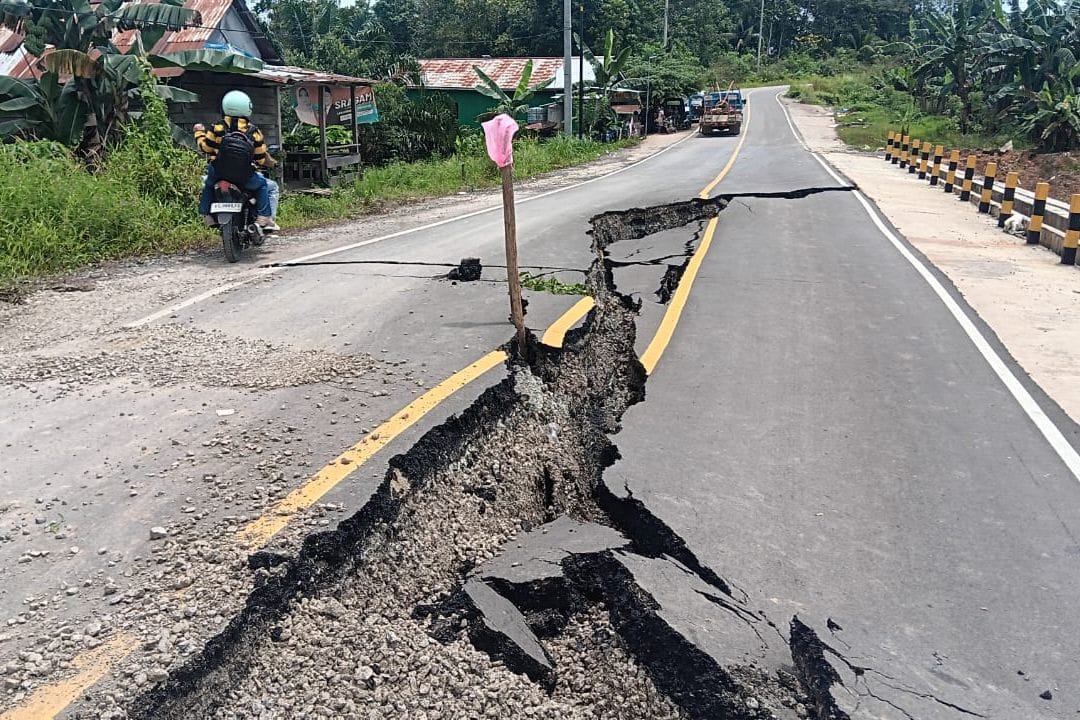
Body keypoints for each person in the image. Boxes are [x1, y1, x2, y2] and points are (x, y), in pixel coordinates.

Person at [194, 90, 279, 231]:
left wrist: (198, 133)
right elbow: (260, 159)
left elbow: (206, 148)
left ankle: (206, 215)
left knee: (208, 184)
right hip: (244, 177)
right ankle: (264, 217)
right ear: (247, 108)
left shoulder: (217, 127)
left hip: (219, 174)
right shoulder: (254, 132)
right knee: (263, 185)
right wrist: (271, 163)